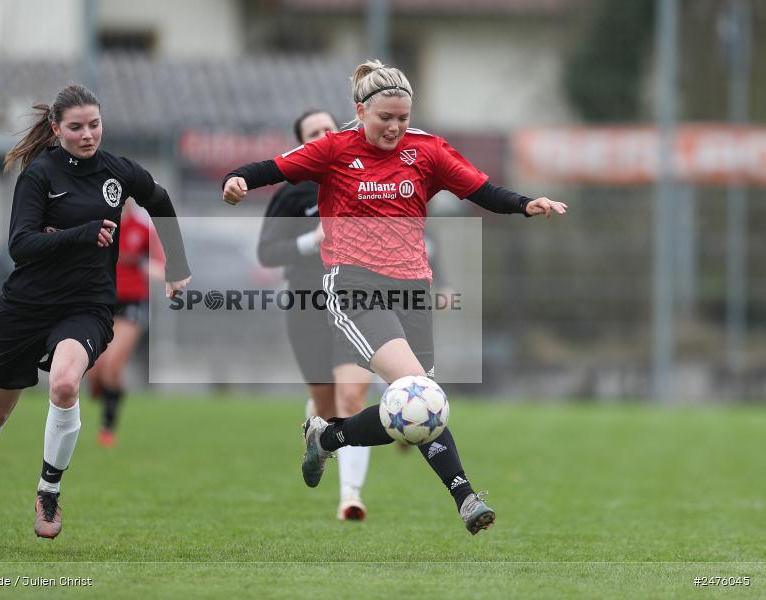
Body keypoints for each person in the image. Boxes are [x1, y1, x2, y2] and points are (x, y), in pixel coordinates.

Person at [224, 60, 566, 535]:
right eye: (386, 117)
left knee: (420, 407)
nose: (395, 127)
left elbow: (480, 189)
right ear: (360, 110)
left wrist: (525, 204)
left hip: (412, 289)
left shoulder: (426, 151)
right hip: (353, 287)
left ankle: (328, 437)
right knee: (418, 393)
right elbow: (274, 167)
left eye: (403, 118)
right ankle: (465, 497)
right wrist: (237, 178)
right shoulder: (334, 149)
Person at [0, 84, 192, 545]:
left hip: (86, 305)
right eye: (76, 127)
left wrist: (177, 267)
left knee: (64, 383)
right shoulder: (39, 176)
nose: (87, 135)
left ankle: (49, 491)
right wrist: (79, 234)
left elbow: (160, 202)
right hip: (26, 307)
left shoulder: (117, 172)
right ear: (57, 128)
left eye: (94, 125)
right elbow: (20, 246)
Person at [257, 109, 374, 521]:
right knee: (325, 406)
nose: (324, 136)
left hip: (357, 301)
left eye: (330, 129)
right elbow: (266, 253)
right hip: (307, 304)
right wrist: (313, 239)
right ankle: (317, 437)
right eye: (313, 133)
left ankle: (351, 498)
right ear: (302, 145)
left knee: (353, 397)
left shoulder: (363, 181)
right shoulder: (291, 193)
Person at [86, 199, 166, 448]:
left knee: (111, 366)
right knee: (93, 372)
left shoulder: (142, 230)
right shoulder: (96, 227)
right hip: (100, 303)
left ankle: (107, 428)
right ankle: (108, 392)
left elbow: (162, 267)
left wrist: (143, 264)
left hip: (131, 304)